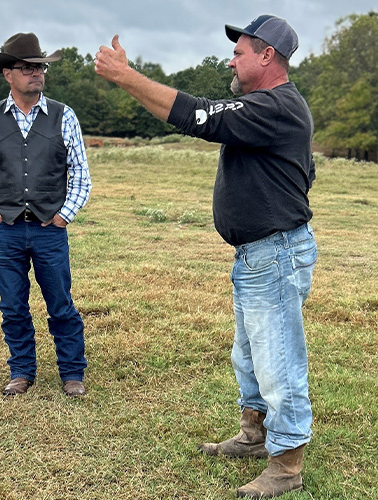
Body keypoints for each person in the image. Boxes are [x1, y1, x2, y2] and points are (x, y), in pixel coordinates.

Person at [95, 15, 317, 498]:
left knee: (278, 361)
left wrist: (125, 77)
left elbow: (199, 116)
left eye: (240, 52)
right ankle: (255, 434)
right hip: (259, 254)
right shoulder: (265, 106)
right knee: (250, 355)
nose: (231, 59)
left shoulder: (278, 106)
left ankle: (287, 464)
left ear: (267, 56)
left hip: (274, 254)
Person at [0, 33, 92, 398]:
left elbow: (80, 175)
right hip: (5, 230)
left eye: (40, 67)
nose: (36, 74)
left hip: (49, 228)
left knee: (60, 302)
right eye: (27, 68)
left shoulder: (64, 116)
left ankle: (72, 373)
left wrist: (63, 216)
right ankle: (21, 371)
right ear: (8, 74)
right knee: (13, 306)